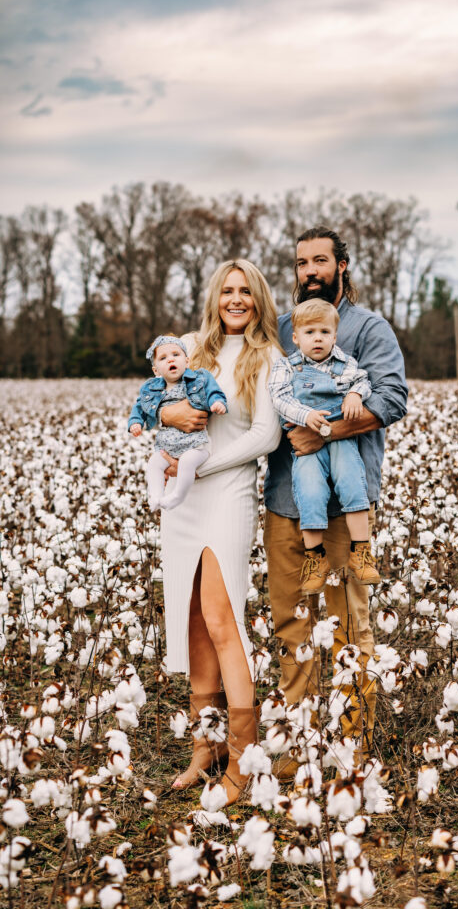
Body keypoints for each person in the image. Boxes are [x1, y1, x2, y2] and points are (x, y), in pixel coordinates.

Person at [263, 228, 408, 778]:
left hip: (348, 503)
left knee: (349, 623)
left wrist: (324, 435)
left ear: (343, 265)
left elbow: (391, 398)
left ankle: (354, 744)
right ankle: (296, 744)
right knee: (291, 621)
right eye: (302, 263)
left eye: (320, 260)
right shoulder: (279, 331)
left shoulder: (369, 329)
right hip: (285, 497)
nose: (310, 271)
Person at [157, 260, 283, 804]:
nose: (236, 300)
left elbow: (266, 436)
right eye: (227, 291)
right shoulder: (190, 345)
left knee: (221, 616)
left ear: (258, 300)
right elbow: (153, 398)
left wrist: (200, 467)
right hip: (182, 500)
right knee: (191, 619)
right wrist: (166, 416)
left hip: (227, 491)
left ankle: (244, 758)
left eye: (246, 292)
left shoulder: (269, 356)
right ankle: (204, 748)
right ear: (216, 297)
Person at [268, 298, 380, 594]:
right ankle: (315, 558)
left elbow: (364, 381)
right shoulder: (285, 366)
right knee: (309, 490)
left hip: (341, 437)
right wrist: (305, 415)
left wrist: (355, 395)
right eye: (309, 332)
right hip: (306, 442)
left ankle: (361, 552)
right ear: (295, 338)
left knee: (354, 484)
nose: (317, 338)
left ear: (334, 335)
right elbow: (278, 398)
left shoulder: (346, 364)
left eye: (324, 332)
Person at [128, 335, 227, 512]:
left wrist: (217, 402)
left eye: (176, 354)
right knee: (154, 463)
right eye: (163, 358)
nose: (171, 359)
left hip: (196, 445)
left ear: (187, 361)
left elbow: (213, 391)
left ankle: (178, 496)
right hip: (167, 446)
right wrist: (136, 422)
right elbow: (139, 407)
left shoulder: (199, 379)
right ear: (156, 370)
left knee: (187, 462)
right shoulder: (151, 389)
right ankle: (156, 496)